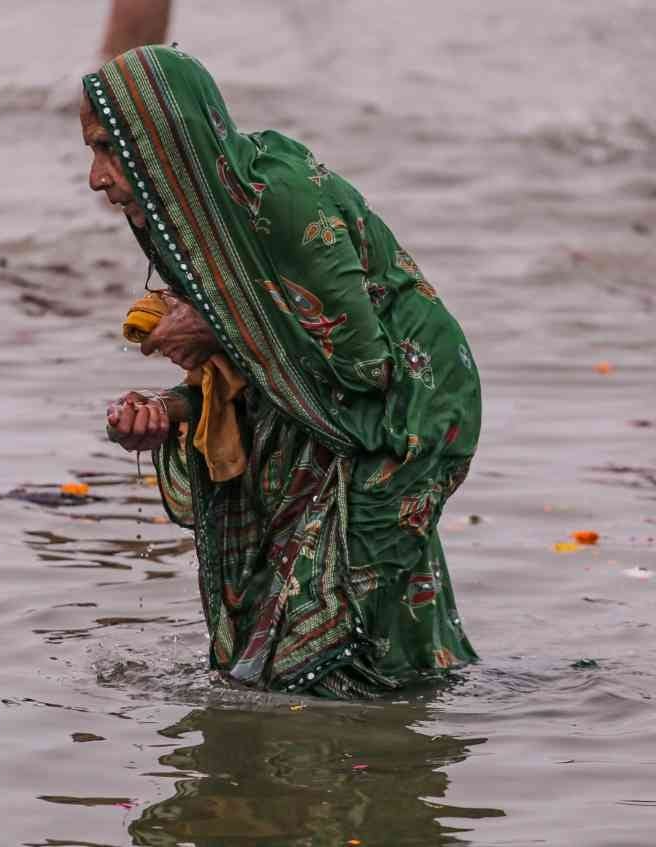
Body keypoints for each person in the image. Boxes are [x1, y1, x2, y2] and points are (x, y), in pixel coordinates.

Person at [81, 46, 479, 698]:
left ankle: (389, 763)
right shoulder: (192, 223)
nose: (97, 178)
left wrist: (216, 327)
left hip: (409, 409)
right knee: (285, 631)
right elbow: (245, 384)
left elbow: (361, 368)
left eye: (109, 148)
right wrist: (163, 414)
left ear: (163, 140)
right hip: (328, 414)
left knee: (360, 616)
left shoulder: (281, 201)